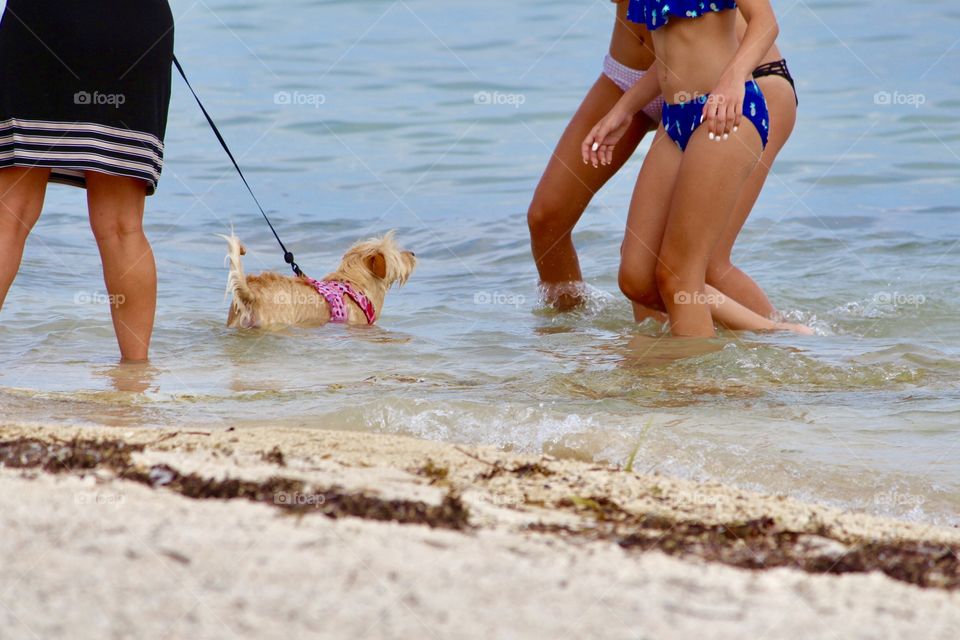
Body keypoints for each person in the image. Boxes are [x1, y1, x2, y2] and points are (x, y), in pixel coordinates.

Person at [584, 0, 809, 335]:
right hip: (675, 119)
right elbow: (672, 54)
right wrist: (624, 109)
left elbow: (765, 22)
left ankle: (700, 383)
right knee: (636, 277)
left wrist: (732, 79)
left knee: (678, 276)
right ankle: (774, 331)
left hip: (726, 112)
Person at [0, 0, 175, 361]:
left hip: (43, 25)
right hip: (134, 29)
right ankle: (135, 378)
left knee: (8, 218)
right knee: (122, 227)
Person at [528, 0, 661, 311]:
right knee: (546, 218)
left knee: (644, 254)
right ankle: (568, 341)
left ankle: (656, 352)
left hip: (686, 78)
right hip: (623, 73)